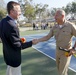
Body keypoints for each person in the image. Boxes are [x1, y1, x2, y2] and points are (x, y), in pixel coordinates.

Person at [0, 1, 37, 75]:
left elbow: (5, 37)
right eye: (19, 11)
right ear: (12, 11)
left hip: (7, 57)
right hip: (14, 59)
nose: (20, 13)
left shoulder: (2, 21)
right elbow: (18, 46)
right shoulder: (12, 26)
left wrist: (17, 39)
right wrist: (32, 42)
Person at [37, 9, 76, 75]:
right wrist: (37, 40)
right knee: (60, 70)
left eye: (56, 15)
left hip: (66, 52)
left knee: (62, 73)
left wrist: (73, 48)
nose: (54, 17)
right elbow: (47, 37)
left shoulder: (70, 26)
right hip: (57, 51)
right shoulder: (55, 27)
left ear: (62, 16)